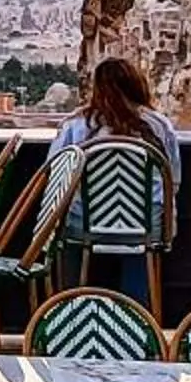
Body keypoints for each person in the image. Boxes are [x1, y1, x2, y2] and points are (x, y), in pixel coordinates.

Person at [49, 58, 179, 304]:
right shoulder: (161, 127)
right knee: (141, 248)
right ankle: (140, 320)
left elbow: (56, 179)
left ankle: (73, 312)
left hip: (84, 226)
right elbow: (175, 180)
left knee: (70, 239)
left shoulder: (75, 127)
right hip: (145, 226)